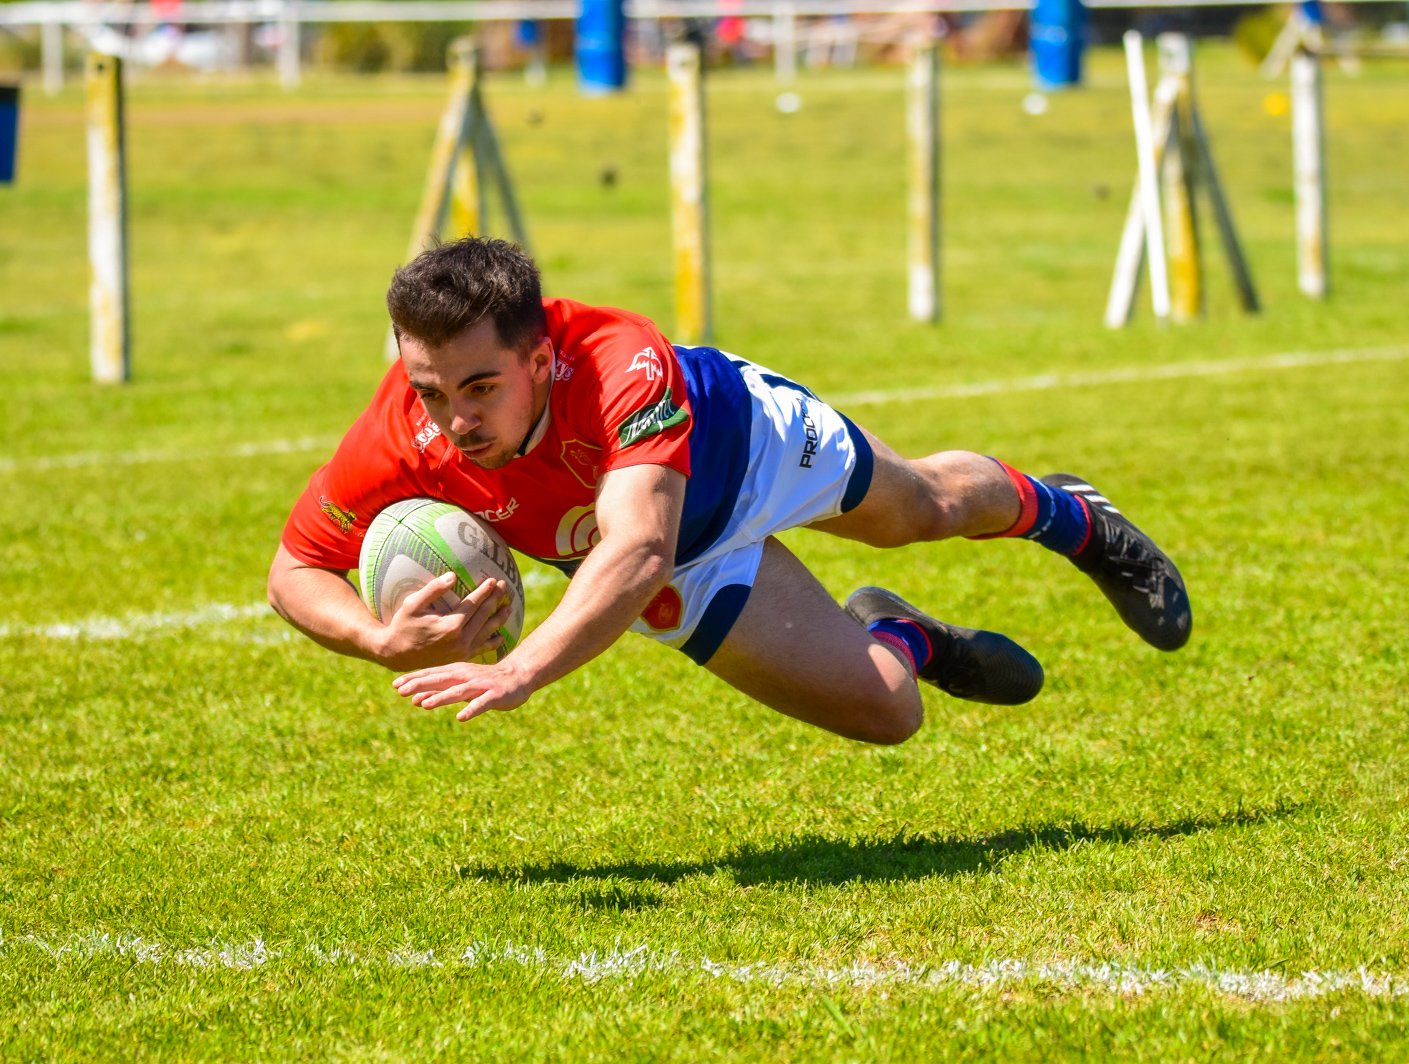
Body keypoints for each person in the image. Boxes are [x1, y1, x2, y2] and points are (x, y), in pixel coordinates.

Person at [267, 239, 1191, 745]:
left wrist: (519, 668)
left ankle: (1074, 517)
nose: (451, 419)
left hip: (746, 449)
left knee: (924, 510)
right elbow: (293, 569)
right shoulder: (403, 430)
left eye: (479, 388)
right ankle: (905, 632)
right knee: (888, 714)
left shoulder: (621, 362)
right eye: (427, 388)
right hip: (675, 555)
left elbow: (634, 549)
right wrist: (377, 636)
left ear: (540, 358)